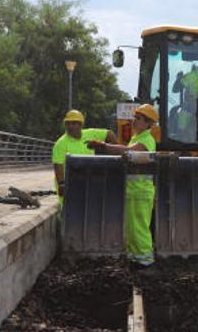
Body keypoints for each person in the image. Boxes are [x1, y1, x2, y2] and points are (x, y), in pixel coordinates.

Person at [87, 104, 158, 270]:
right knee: (132, 229)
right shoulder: (137, 138)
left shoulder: (146, 140)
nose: (134, 121)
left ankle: (146, 262)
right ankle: (135, 259)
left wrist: (104, 146)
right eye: (135, 117)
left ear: (148, 123)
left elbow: (127, 151)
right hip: (134, 192)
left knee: (139, 228)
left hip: (140, 192)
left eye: (139, 119)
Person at [51, 110, 117, 203]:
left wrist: (116, 151)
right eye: (68, 124)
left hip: (88, 182)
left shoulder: (90, 134)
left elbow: (109, 134)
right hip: (70, 185)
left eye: (74, 123)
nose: (70, 126)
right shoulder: (60, 144)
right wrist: (62, 184)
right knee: (70, 213)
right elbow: (58, 166)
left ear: (81, 125)